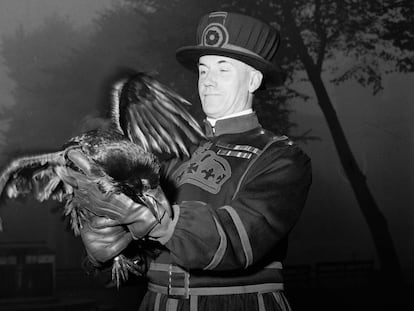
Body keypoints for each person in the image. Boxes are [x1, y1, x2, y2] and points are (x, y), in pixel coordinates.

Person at [74, 11, 312, 311]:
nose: (208, 81)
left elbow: (242, 239)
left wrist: (165, 222)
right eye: (203, 70)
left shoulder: (280, 157)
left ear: (253, 79)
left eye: (223, 70)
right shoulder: (171, 158)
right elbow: (146, 262)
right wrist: (110, 254)